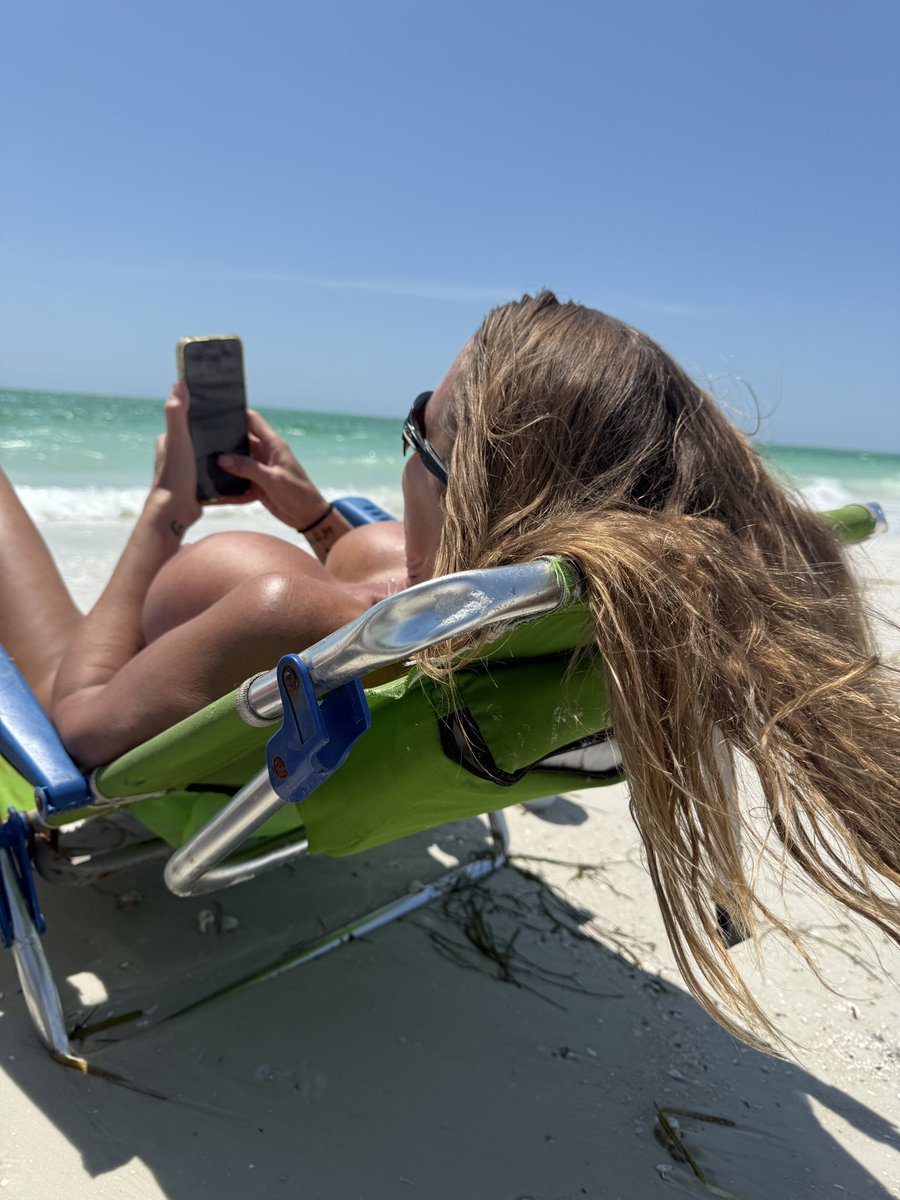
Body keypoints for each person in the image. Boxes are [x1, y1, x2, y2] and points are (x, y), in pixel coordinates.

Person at [1, 290, 898, 1046]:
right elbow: (403, 569)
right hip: (282, 664)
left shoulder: (282, 616)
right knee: (338, 553)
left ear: (456, 485)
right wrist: (315, 516)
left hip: (113, 700)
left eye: (419, 427)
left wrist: (164, 512)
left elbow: (77, 733)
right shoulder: (541, 614)